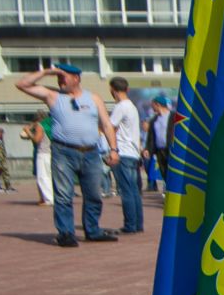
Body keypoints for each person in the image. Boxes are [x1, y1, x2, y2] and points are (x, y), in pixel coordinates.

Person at [15, 63, 119, 246]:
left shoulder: (93, 98)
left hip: (91, 152)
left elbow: (107, 125)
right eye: (58, 77)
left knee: (93, 194)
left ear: (76, 78)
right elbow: (22, 84)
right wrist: (47, 71)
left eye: (64, 77)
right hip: (63, 151)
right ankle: (66, 233)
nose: (60, 81)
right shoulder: (52, 95)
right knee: (63, 194)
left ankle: (93, 230)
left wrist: (113, 149)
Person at [106, 76, 143, 234]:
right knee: (134, 190)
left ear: (112, 90)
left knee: (126, 190)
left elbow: (110, 127)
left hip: (124, 151)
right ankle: (137, 223)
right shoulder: (133, 107)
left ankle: (130, 224)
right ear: (126, 89)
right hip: (133, 152)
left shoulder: (121, 107)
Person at [19, 116, 52, 206]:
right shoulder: (51, 125)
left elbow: (36, 140)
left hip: (43, 153)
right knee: (48, 176)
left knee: (43, 176)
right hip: (52, 153)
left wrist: (27, 130)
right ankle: (46, 198)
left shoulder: (41, 126)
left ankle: (48, 199)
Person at [144, 97, 170, 192]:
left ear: (158, 104)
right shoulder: (154, 120)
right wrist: (148, 149)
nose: (152, 108)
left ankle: (171, 192)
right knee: (164, 171)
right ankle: (167, 191)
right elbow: (151, 137)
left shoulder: (173, 116)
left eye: (153, 105)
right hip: (160, 150)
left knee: (173, 172)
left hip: (171, 149)